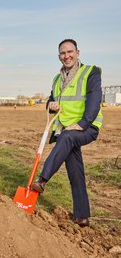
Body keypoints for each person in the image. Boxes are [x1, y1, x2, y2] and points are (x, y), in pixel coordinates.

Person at [31, 39, 103, 227]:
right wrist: (51, 104)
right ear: (58, 56)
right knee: (75, 172)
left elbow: (95, 100)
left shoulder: (91, 72)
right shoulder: (57, 79)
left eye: (70, 52)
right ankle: (82, 216)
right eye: (63, 53)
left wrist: (83, 123)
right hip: (65, 130)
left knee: (67, 137)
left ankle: (42, 179)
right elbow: (51, 100)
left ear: (78, 52)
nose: (67, 56)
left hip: (86, 128)